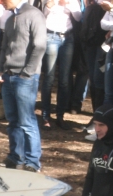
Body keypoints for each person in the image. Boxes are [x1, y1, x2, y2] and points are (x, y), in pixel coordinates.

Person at [0, 0, 47, 172]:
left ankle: (33, 162)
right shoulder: (11, 19)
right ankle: (16, 157)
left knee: (26, 121)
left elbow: (39, 46)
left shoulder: (34, 15)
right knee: (13, 120)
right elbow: (4, 48)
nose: (1, 2)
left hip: (24, 77)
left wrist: (28, 72)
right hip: (8, 76)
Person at [40, 0, 82, 130]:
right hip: (51, 36)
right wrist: (48, 6)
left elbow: (79, 17)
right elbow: (42, 16)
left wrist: (68, 5)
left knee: (64, 80)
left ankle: (60, 115)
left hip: (68, 37)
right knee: (49, 77)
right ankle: (46, 116)